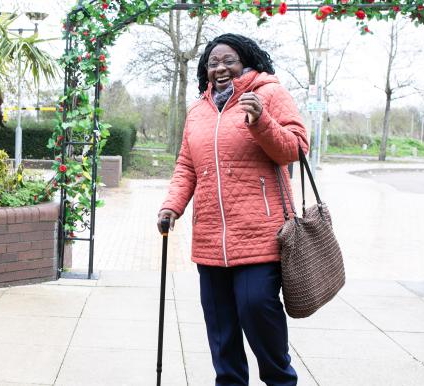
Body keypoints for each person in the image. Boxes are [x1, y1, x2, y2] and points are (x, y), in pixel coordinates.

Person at [157, 33, 309, 386]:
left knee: (257, 308)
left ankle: (280, 380)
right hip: (211, 238)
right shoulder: (198, 109)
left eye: (229, 60)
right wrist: (171, 206)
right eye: (213, 62)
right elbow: (186, 165)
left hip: (261, 233)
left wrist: (261, 122)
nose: (221, 68)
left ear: (246, 61)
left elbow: (296, 149)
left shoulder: (270, 93)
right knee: (221, 329)